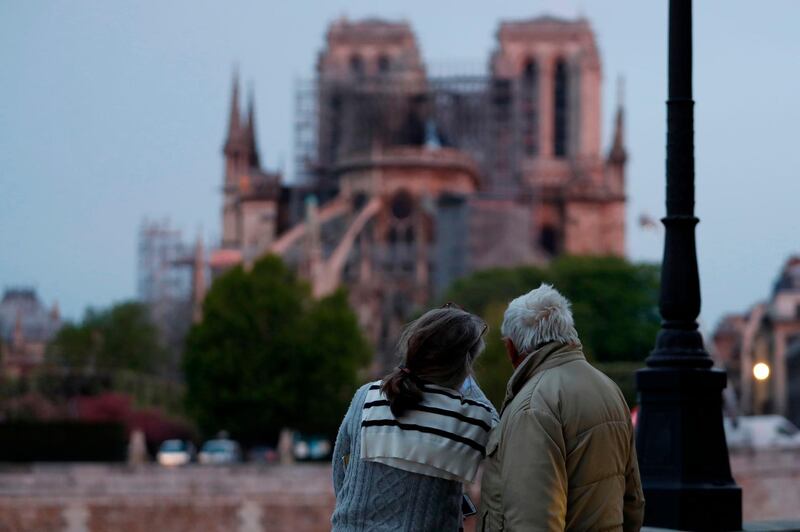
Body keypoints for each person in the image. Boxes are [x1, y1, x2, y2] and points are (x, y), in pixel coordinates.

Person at [478, 284, 645, 532]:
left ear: (511, 348)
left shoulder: (532, 405)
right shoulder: (609, 389)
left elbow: (533, 521)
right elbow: (633, 501)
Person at [332, 304, 498, 532]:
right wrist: (468, 381)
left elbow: (341, 470)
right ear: (464, 362)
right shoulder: (473, 417)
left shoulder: (367, 396)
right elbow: (503, 444)